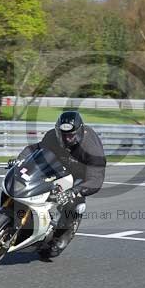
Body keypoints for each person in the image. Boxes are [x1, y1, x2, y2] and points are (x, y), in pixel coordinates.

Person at [10, 110, 106, 258]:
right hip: (58, 167)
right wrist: (20, 160)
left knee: (74, 202)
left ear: (80, 132)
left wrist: (74, 191)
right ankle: (22, 219)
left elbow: (96, 180)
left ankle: (61, 236)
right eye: (63, 135)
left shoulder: (92, 149)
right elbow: (34, 150)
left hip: (80, 174)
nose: (67, 138)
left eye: (71, 135)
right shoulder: (52, 136)